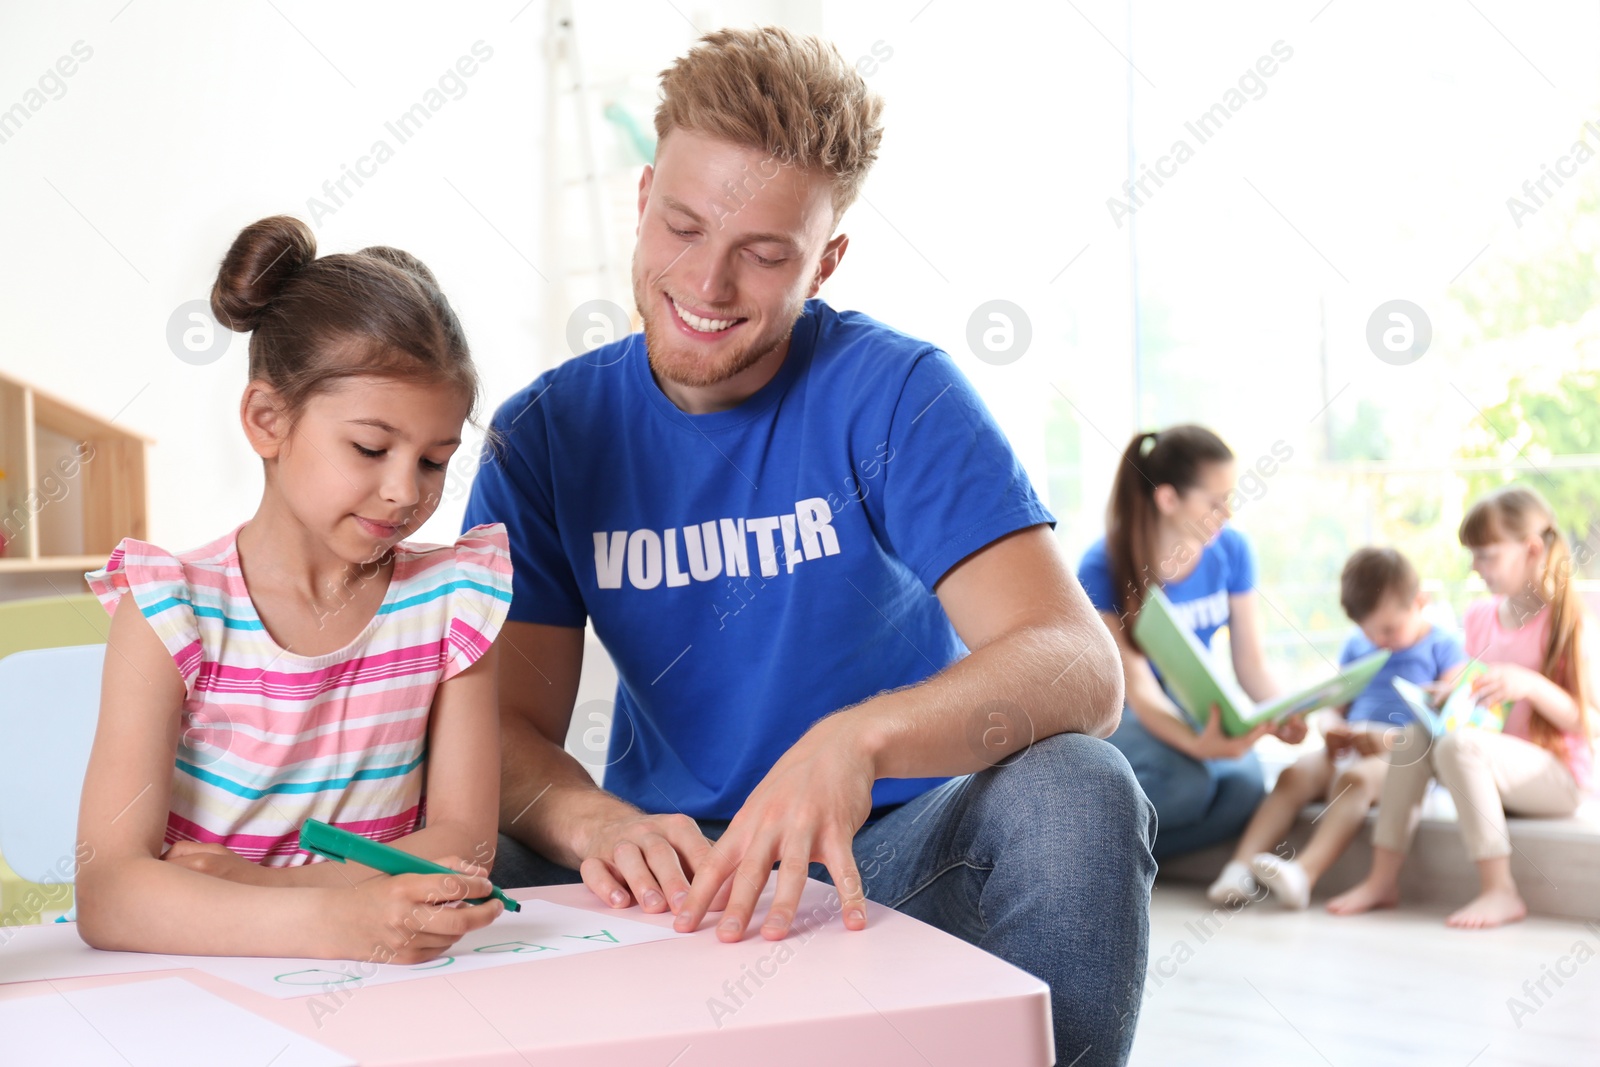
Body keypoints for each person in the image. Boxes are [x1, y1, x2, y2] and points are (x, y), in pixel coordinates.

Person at [462, 27, 1154, 1066]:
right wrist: (590, 821)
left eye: (764, 253)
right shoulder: (544, 436)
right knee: (453, 835)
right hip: (667, 868)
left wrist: (858, 743)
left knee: (1081, 790)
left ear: (825, 262)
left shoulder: (897, 395)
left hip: (885, 859)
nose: (706, 280)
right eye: (684, 225)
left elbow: (1076, 663)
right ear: (642, 198)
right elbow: (502, 728)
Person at [75, 216, 512, 963]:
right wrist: (340, 919)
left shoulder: (453, 602)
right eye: (370, 448)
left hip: (384, 990)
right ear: (268, 419)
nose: (405, 491)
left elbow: (464, 850)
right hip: (186, 984)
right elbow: (110, 892)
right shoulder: (169, 610)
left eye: (436, 460)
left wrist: (272, 887)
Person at [1328, 485, 1596, 928]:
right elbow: (1471, 705)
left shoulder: (1568, 620)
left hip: (1556, 778)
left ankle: (1500, 890)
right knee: (1416, 736)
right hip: (1488, 768)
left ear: (1531, 550)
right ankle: (1382, 879)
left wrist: (1529, 685)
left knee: (1458, 747)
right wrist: (1446, 697)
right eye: (1472, 555)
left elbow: (1589, 723)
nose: (1475, 566)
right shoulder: (1478, 617)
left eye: (1486, 554)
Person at [1078, 425, 1304, 860]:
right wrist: (1198, 747)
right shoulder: (1104, 563)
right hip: (1120, 717)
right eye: (1215, 502)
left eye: (1231, 499)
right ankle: (1099, 855)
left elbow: (1250, 666)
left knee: (1244, 788)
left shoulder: (1232, 551)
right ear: (1167, 499)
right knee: (1187, 783)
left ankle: (1126, 861)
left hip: (1188, 703)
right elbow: (1139, 691)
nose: (1229, 513)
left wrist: (1287, 713)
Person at [1211, 547, 1466, 908]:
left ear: (1420, 602)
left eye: (1389, 629)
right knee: (1294, 775)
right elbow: (1333, 707)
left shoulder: (1444, 646)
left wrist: (1387, 739)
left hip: (1404, 757)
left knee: (1356, 780)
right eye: (1369, 631)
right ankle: (1237, 869)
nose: (1379, 640)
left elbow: (1446, 725)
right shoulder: (1358, 647)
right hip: (1352, 745)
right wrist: (1330, 728)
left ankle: (1304, 873)